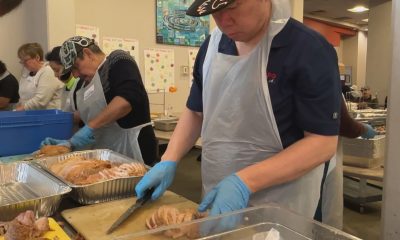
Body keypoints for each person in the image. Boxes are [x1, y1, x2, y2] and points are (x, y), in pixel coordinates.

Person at [136, 0, 341, 226]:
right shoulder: (211, 48)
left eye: (232, 8)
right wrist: (169, 159)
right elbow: (196, 112)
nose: (224, 21)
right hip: (219, 193)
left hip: (282, 200)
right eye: (215, 12)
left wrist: (243, 182)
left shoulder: (308, 49)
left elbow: (322, 143)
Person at [42, 36, 159, 166]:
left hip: (134, 150)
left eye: (76, 67)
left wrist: (90, 127)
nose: (75, 75)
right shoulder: (82, 83)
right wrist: (67, 142)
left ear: (88, 54)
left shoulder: (117, 61)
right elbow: (87, 113)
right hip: (105, 156)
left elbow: (127, 100)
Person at [322, 96, 377, 229]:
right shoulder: (325, 76)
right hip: (322, 161)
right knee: (323, 217)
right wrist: (363, 129)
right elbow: (343, 124)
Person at [15, 43, 64, 111]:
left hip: (48, 115)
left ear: (37, 57)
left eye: (25, 60)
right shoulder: (26, 73)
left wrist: (19, 110)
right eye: (21, 60)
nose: (23, 64)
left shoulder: (47, 71)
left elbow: (41, 100)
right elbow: (22, 98)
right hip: (29, 113)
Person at [45, 47, 83, 113]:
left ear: (68, 66)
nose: (55, 75)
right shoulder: (66, 87)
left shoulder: (81, 86)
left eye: (57, 70)